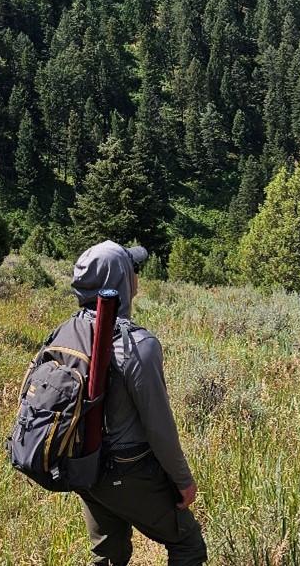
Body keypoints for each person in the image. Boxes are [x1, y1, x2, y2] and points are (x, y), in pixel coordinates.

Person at [62, 240, 207, 565]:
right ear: (122, 280)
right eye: (133, 270)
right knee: (188, 544)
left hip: (82, 466)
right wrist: (183, 481)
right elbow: (159, 427)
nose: (137, 277)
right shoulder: (137, 345)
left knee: (109, 553)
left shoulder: (66, 333)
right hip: (125, 468)